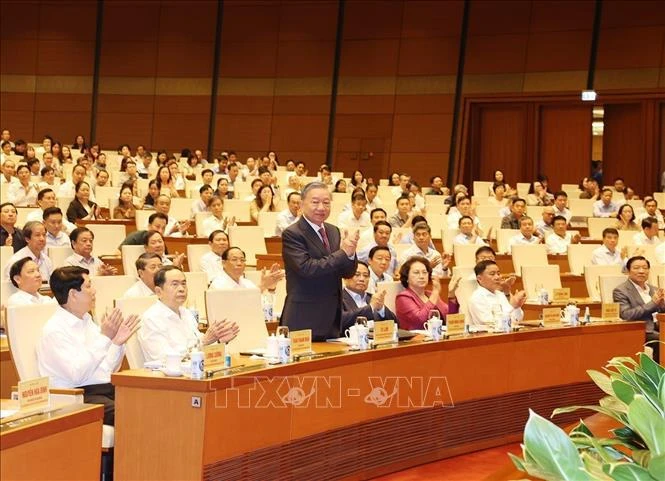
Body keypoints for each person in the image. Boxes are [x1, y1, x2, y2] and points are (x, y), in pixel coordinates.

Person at [36, 266, 138, 427]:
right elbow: (77, 374)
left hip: (103, 389)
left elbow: (107, 369)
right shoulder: (54, 331)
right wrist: (105, 338)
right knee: (135, 415)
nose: (94, 291)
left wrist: (117, 343)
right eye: (89, 286)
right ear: (73, 294)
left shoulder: (86, 321)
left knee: (148, 404)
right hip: (76, 396)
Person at [281, 182, 358, 341]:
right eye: (315, 202)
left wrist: (350, 253)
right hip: (304, 317)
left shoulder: (333, 231)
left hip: (332, 319)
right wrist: (343, 253)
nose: (321, 207)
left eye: (326, 203)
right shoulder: (293, 233)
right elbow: (307, 268)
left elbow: (347, 272)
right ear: (302, 204)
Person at [138, 266, 239, 362]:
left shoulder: (186, 313)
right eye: (175, 284)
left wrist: (219, 341)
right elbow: (165, 359)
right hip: (168, 377)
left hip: (195, 370)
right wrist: (203, 342)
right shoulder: (151, 319)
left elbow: (200, 346)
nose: (181, 289)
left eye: (183, 283)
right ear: (159, 291)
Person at [613, 256, 664, 363]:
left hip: (660, 326)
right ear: (628, 271)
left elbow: (661, 310)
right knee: (661, 340)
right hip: (642, 330)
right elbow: (626, 315)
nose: (641, 271)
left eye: (645, 268)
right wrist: (653, 303)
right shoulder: (620, 291)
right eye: (636, 268)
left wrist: (663, 303)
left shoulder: (653, 288)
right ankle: (658, 377)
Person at [467, 260, 526, 329]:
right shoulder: (477, 298)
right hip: (488, 338)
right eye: (492, 274)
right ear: (479, 278)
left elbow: (517, 320)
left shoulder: (500, 294)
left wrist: (517, 307)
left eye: (498, 273)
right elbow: (492, 325)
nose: (497, 277)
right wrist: (512, 306)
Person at [395, 257, 449, 330]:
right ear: (407, 277)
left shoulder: (429, 294)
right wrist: (435, 293)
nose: (421, 276)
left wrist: (452, 295)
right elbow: (420, 321)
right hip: (414, 339)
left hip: (437, 336)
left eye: (424, 272)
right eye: (416, 273)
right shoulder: (403, 297)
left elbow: (449, 315)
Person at [341, 261, 397, 331]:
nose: (362, 279)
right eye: (357, 274)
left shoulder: (372, 298)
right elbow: (340, 320)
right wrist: (370, 307)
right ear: (345, 278)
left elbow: (395, 324)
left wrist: (381, 309)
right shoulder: (338, 298)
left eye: (365, 275)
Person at [209, 247, 284, 291]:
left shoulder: (247, 283)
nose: (239, 263)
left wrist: (271, 287)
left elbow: (261, 305)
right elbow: (238, 305)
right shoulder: (218, 284)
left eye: (242, 260)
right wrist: (263, 286)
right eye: (234, 260)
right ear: (223, 263)